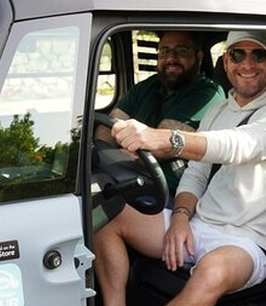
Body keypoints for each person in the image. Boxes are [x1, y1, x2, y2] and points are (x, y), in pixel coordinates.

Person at [94, 30, 266, 306]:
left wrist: (166, 139)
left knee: (212, 271)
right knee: (106, 210)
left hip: (248, 242)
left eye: (258, 55)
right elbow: (196, 173)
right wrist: (180, 217)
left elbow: (240, 146)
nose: (247, 64)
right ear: (226, 61)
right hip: (200, 223)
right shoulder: (220, 110)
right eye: (237, 55)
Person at [96, 31, 225, 192]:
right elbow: (109, 125)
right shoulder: (148, 86)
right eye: (164, 51)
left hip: (168, 189)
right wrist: (101, 153)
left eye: (181, 51)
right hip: (127, 174)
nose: (171, 58)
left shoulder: (207, 93)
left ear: (198, 57)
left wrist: (108, 157)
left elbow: (159, 147)